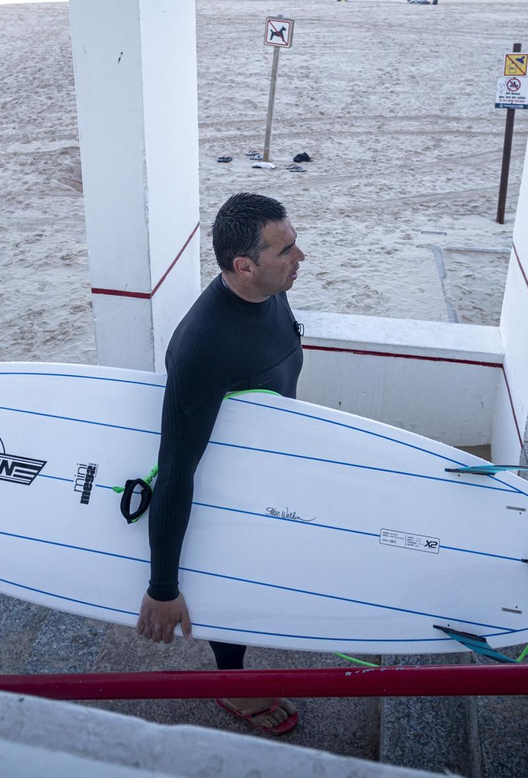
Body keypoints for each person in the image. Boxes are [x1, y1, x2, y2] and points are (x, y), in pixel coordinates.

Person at [137, 192, 306, 736]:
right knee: (235, 571)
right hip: (226, 487)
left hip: (271, 460)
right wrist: (163, 588)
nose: (300, 257)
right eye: (286, 250)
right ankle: (231, 683)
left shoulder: (271, 291)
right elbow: (176, 465)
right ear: (243, 265)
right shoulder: (204, 344)